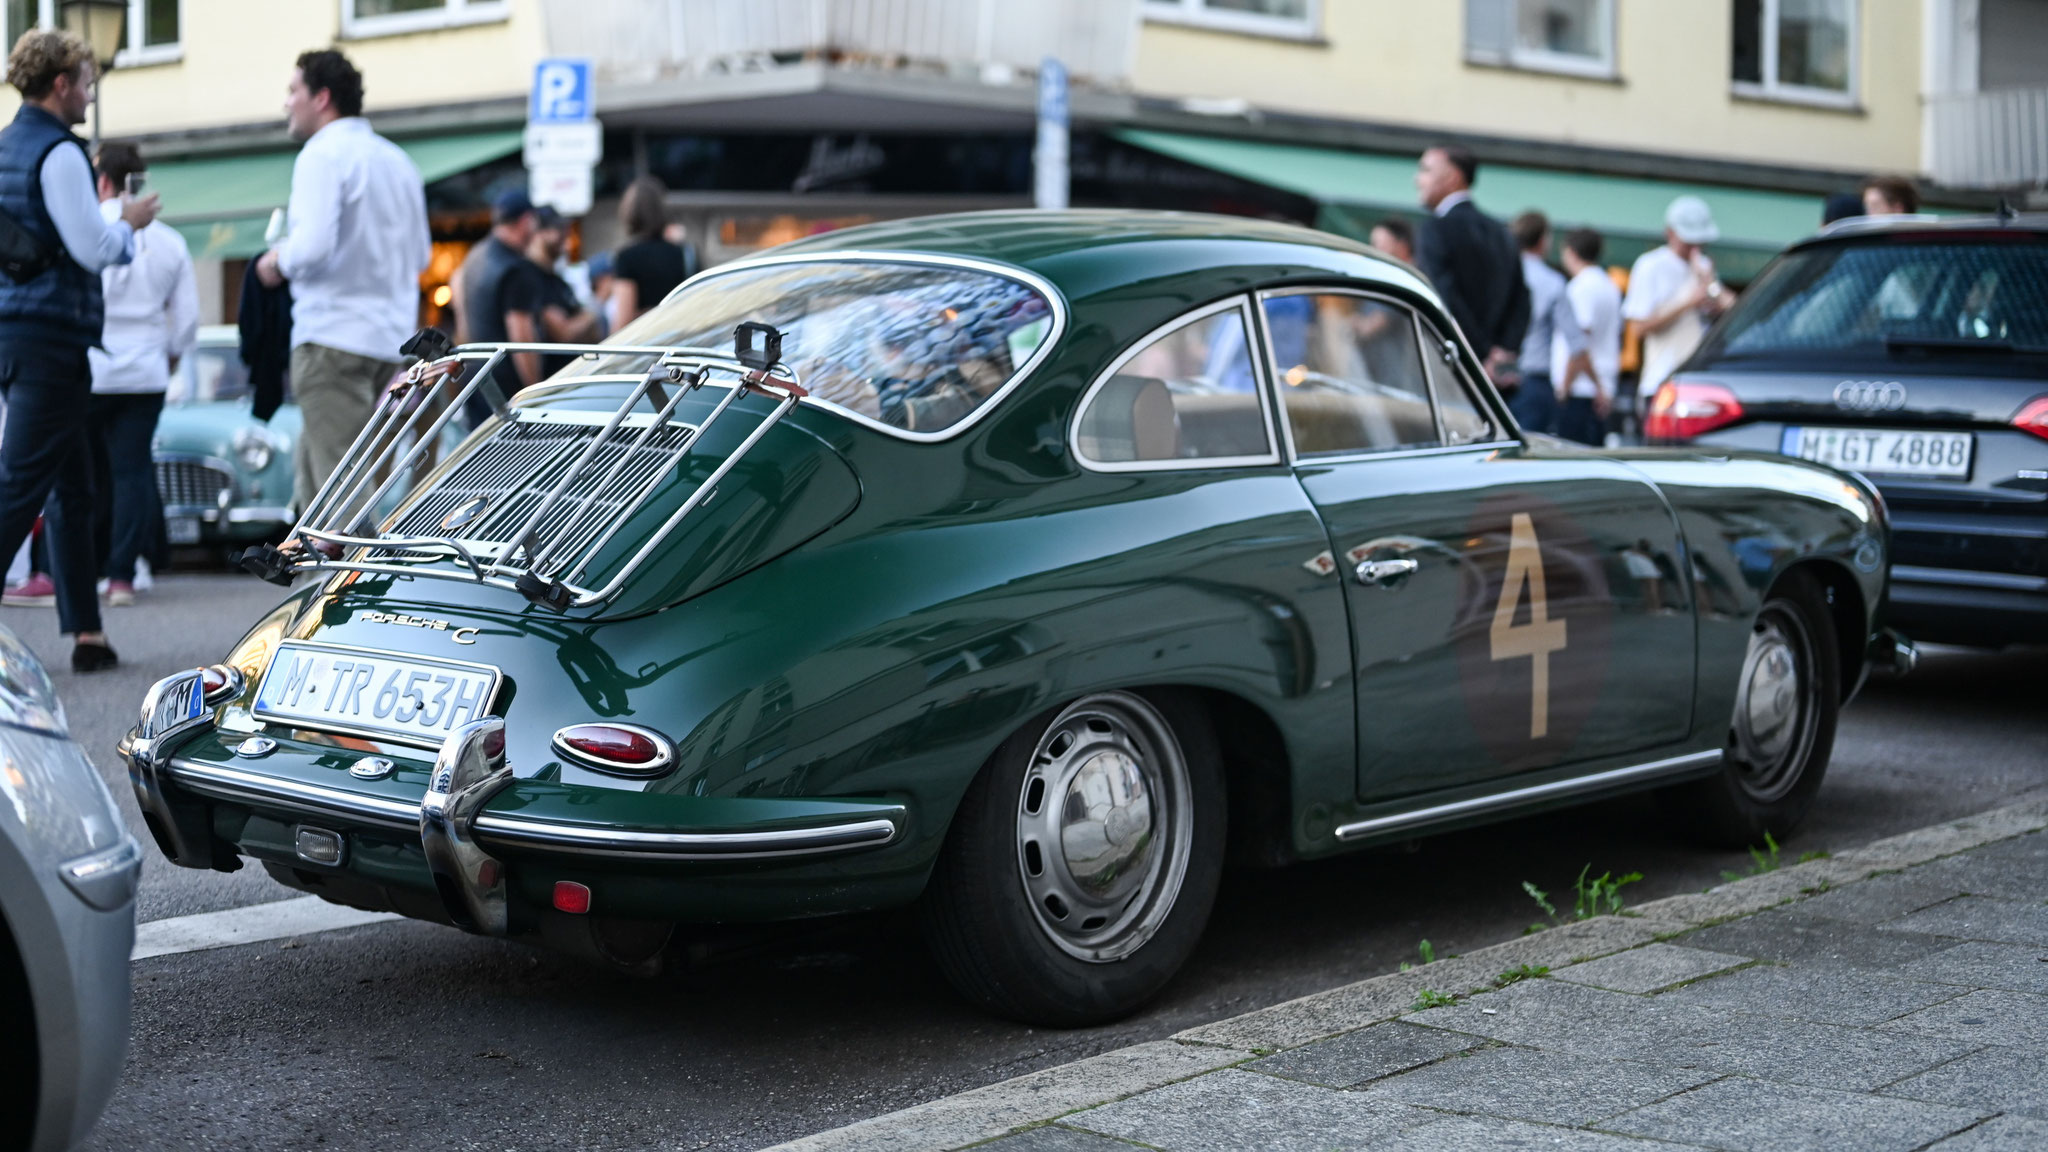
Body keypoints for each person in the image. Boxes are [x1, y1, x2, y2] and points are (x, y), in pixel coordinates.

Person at [0, 29, 159, 670]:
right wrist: (128, 222)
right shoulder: (60, 152)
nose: (91, 96)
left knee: (71, 483)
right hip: (52, 340)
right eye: (87, 83)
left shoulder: (6, 146)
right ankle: (86, 631)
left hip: (15, 333)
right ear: (61, 84)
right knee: (22, 484)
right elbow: (92, 248)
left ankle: (87, 634)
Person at [254, 48, 429, 514]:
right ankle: (318, 565)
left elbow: (311, 248)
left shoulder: (321, 155)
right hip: (390, 344)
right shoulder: (399, 161)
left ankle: (354, 565)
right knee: (321, 486)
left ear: (322, 97)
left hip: (331, 339)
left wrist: (275, 262)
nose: (287, 102)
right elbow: (421, 256)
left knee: (339, 494)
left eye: (293, 91)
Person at [87, 140, 195, 607]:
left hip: (91, 368)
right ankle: (122, 575)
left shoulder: (88, 232)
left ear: (102, 181)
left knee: (88, 474)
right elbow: (187, 318)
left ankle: (86, 569)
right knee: (131, 472)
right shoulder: (170, 241)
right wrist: (170, 354)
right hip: (146, 369)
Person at [1412, 144, 1529, 387]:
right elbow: (1521, 300)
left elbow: (1442, 298)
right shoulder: (1501, 232)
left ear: (1453, 177)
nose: (1417, 179)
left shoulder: (1435, 230)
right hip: (1493, 377)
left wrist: (1481, 354)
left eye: (1426, 170)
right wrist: (1502, 352)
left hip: (1448, 370)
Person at [1622, 195, 1734, 412]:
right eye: (1689, 240)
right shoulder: (1650, 265)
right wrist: (1687, 303)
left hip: (1700, 383)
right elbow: (1638, 328)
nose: (1695, 246)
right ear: (1670, 233)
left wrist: (1711, 289)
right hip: (1661, 382)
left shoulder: (1704, 266)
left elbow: (1734, 307)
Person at [455, 189, 547, 422]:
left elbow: (462, 319)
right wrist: (537, 395)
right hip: (506, 392)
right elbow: (522, 340)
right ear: (526, 221)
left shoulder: (475, 255)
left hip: (476, 381)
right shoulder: (515, 269)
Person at [1508, 211, 1588, 436]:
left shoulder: (1499, 273)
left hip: (1490, 378)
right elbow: (1577, 343)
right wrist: (1565, 389)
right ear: (1543, 240)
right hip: (1534, 382)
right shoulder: (1553, 281)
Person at [1554, 228, 1622, 447]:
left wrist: (1564, 387)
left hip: (1580, 389)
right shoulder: (1609, 285)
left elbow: (1579, 344)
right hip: (1598, 388)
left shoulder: (1581, 287)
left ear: (1571, 252)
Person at [609, 175, 695, 328]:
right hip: (678, 336)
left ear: (631, 212)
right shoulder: (684, 253)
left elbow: (623, 322)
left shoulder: (627, 257)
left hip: (646, 339)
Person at [527, 206, 599, 378]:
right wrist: (591, 314)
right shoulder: (530, 278)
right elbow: (564, 333)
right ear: (539, 233)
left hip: (576, 374)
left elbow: (592, 332)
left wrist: (583, 320)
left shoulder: (557, 280)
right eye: (558, 229)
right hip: (554, 380)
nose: (565, 237)